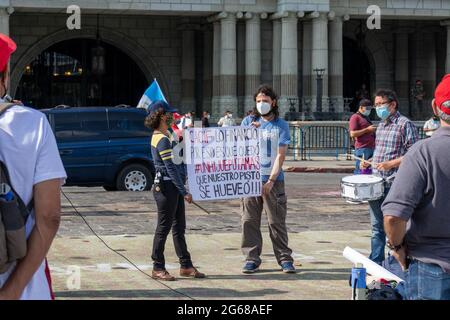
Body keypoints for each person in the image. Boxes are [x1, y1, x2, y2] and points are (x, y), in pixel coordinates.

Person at [0, 33, 67, 300]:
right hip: (24, 288)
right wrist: (11, 292)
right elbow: (49, 218)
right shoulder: (33, 124)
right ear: (5, 76)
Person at [382, 74, 450, 300]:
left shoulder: (424, 152)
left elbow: (393, 217)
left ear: (433, 105)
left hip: (432, 268)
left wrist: (397, 247)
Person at [145, 100, 205, 281]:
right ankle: (157, 267)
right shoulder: (161, 139)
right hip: (165, 187)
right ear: (162, 116)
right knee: (163, 228)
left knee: (179, 227)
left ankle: (185, 265)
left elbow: (178, 161)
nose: (173, 117)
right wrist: (184, 190)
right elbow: (170, 168)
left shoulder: (168, 134)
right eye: (169, 114)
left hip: (172, 187)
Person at [240, 84, 295, 274]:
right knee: (249, 220)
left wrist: (271, 180)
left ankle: (284, 259)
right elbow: (239, 149)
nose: (262, 104)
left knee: (276, 221)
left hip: (274, 180)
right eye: (258, 101)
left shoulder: (281, 125)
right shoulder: (248, 122)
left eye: (265, 100)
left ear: (273, 102)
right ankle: (251, 258)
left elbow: (281, 155)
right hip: (250, 179)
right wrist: (251, 133)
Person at [361, 89, 419, 265]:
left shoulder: (404, 124)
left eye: (381, 104)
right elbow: (381, 153)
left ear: (392, 104)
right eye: (376, 105)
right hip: (377, 182)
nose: (378, 108)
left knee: (394, 226)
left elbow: (414, 154)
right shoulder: (381, 126)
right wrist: (369, 161)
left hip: (394, 183)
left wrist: (391, 164)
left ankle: (397, 261)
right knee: (376, 227)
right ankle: (376, 262)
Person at [349, 99, 376, 174]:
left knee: (368, 170)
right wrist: (367, 129)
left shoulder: (365, 117)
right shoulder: (355, 117)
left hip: (370, 147)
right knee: (360, 170)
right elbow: (352, 134)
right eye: (367, 109)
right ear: (361, 108)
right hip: (362, 148)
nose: (369, 111)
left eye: (370, 109)